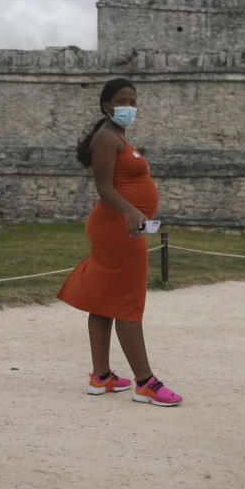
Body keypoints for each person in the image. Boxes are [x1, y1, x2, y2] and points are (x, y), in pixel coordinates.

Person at [57, 78, 182, 406]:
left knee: (104, 300)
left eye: (133, 100)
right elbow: (104, 188)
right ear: (107, 106)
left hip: (121, 224)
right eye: (123, 100)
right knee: (128, 301)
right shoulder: (105, 138)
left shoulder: (116, 136)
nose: (130, 106)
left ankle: (102, 377)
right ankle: (145, 382)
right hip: (119, 227)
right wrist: (131, 210)